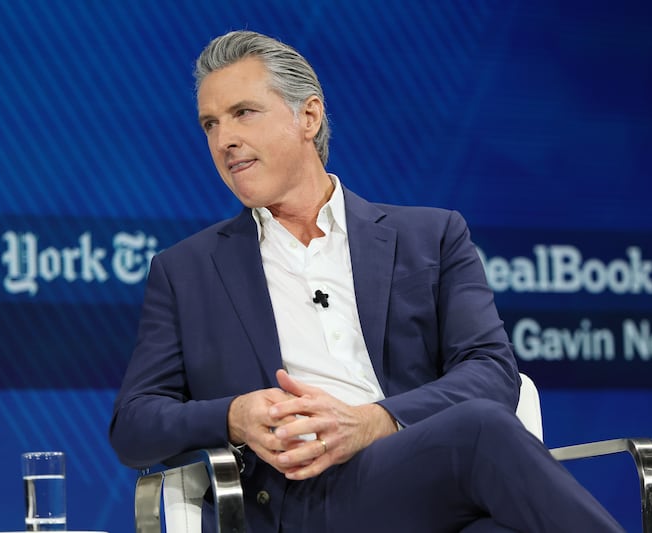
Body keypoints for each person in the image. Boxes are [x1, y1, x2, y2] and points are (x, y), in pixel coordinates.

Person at [109, 30, 623, 532]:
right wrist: (235, 417)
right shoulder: (186, 270)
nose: (225, 140)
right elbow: (133, 424)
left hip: (428, 477)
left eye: (243, 113)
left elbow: (491, 370)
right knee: (482, 430)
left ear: (307, 116)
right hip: (304, 498)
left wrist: (374, 421)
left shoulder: (432, 235)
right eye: (209, 124)